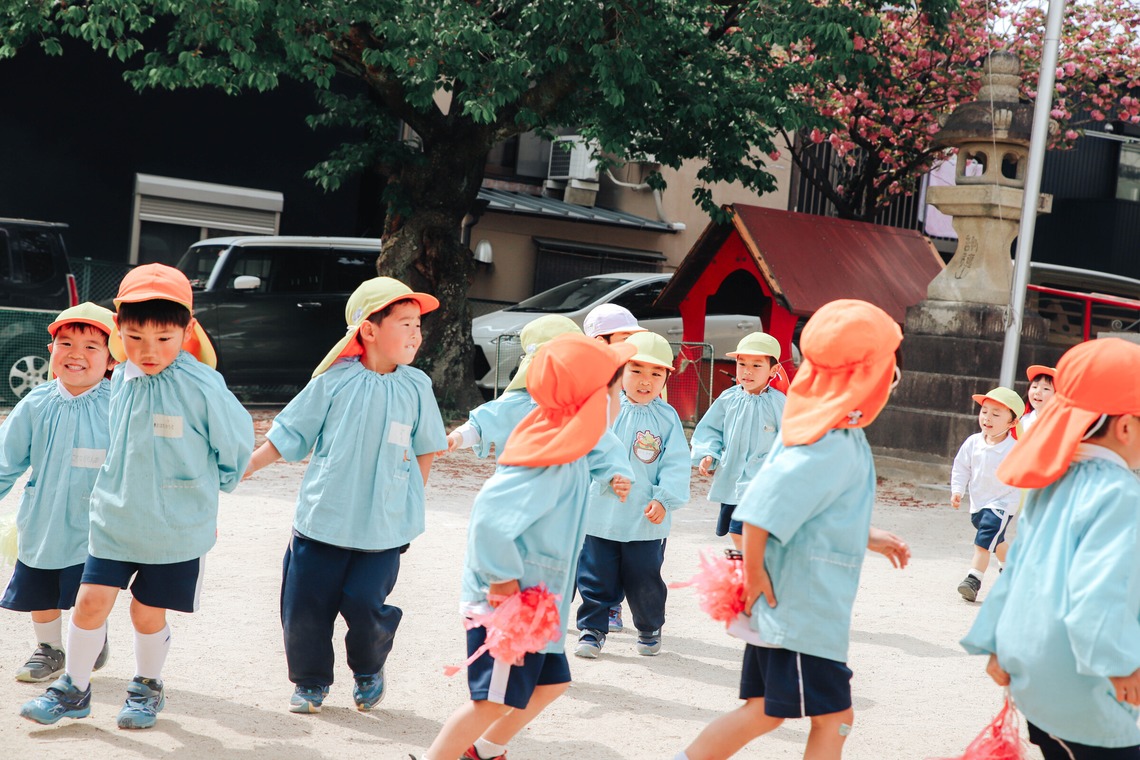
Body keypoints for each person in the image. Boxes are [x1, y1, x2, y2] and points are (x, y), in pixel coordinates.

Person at [20, 264, 253, 729]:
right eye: (135, 337)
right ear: (119, 330)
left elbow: (234, 441)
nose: (149, 351)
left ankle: (147, 686)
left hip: (174, 527)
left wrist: (216, 487)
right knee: (89, 602)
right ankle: (74, 688)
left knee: (146, 613)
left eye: (164, 338)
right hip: (115, 518)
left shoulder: (203, 384)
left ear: (187, 330)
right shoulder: (122, 376)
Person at [677, 299, 911, 760]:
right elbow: (760, 509)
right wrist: (755, 574)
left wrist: (867, 534)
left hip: (792, 607)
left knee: (763, 711)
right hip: (801, 611)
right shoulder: (830, 439)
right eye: (890, 373)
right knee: (835, 718)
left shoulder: (816, 423)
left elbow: (813, 509)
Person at [425, 334, 637, 760]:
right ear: (594, 398)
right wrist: (502, 581)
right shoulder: (549, 453)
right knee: (493, 701)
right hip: (512, 604)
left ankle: (484, 751)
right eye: (617, 390)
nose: (620, 399)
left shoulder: (570, 442)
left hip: (539, 602)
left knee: (552, 683)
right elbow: (489, 518)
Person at [243, 276, 448, 714]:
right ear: (369, 330)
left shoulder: (417, 386)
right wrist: (251, 464)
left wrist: (408, 503)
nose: (416, 333)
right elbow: (292, 432)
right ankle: (310, 682)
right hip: (323, 521)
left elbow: (427, 447)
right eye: (405, 323)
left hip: (382, 529)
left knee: (366, 605)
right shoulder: (333, 381)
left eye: (418, 325)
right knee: (304, 609)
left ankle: (369, 668)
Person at [962, 338, 1140, 760]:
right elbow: (1101, 592)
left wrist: (995, 640)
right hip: (1083, 685)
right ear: (1126, 427)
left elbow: (1019, 567)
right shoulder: (1121, 494)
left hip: (1033, 673)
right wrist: (1120, 664)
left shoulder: (1052, 482)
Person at [0, 304, 116, 684]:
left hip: (97, 523)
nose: (76, 354)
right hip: (43, 517)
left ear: (112, 358)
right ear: (51, 350)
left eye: (91, 347)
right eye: (65, 343)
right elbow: (6, 459)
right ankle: (49, 648)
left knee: (90, 590)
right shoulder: (36, 403)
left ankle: (92, 634)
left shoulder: (119, 405)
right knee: (40, 588)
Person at [574, 331, 690, 659]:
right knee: (595, 575)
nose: (645, 380)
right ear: (620, 372)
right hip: (601, 514)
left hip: (644, 519)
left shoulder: (666, 418)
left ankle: (649, 626)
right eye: (636, 370)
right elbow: (588, 448)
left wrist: (664, 499)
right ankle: (592, 629)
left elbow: (677, 463)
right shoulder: (605, 407)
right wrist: (605, 476)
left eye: (656, 373)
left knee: (644, 578)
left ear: (666, 378)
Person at [690, 332, 786, 550]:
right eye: (742, 364)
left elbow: (791, 438)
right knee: (735, 530)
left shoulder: (779, 403)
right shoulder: (728, 398)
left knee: (742, 530)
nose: (747, 371)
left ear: (773, 370)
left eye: (756, 365)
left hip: (763, 480)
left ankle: (751, 565)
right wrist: (709, 454)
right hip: (732, 477)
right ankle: (751, 565)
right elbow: (711, 429)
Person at [447, 315, 582, 459]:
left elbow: (597, 450)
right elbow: (479, 425)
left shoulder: (583, 406)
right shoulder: (516, 402)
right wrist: (456, 438)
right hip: (520, 472)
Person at [950, 387, 1024, 603]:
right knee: (996, 541)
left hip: (1002, 504)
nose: (987, 418)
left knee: (983, 543)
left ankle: (973, 579)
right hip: (978, 504)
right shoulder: (973, 442)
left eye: (996, 414)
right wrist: (957, 490)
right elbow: (961, 467)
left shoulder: (1015, 448)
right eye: (984, 411)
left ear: (1012, 422)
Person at [1021, 364, 1055, 430]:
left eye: (1046, 388)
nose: (1037, 392)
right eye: (1034, 387)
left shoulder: (1062, 423)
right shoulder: (1024, 421)